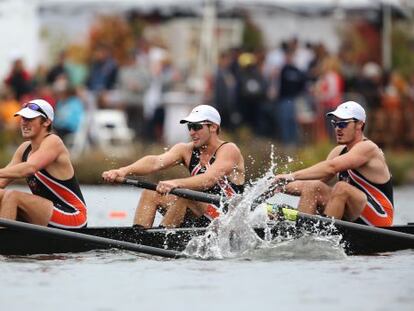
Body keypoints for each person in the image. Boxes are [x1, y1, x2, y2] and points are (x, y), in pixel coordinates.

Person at [102, 104, 245, 228]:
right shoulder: (186, 150)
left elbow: (209, 179)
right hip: (201, 213)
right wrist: (122, 171)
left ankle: (163, 238)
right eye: (190, 127)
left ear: (213, 127)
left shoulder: (229, 150)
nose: (192, 132)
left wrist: (175, 183)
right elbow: (155, 162)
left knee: (185, 195)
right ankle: (139, 236)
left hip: (227, 218)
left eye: (196, 127)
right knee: (150, 193)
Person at [273, 101, 394, 227]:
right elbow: (314, 181)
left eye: (343, 124)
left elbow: (331, 168)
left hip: (379, 219)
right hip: (354, 215)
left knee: (341, 188)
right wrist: (278, 186)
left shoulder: (368, 148)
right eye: (335, 123)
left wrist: (291, 175)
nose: (338, 128)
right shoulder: (338, 151)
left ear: (359, 124)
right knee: (312, 186)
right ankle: (303, 234)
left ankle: (324, 234)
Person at [0, 99, 87, 228]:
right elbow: (2, 181)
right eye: (23, 118)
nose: (24, 123)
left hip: (72, 216)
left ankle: (5, 244)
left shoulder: (53, 141)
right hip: (46, 212)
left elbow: (29, 168)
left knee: (13, 196)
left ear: (46, 122)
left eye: (29, 119)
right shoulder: (24, 149)